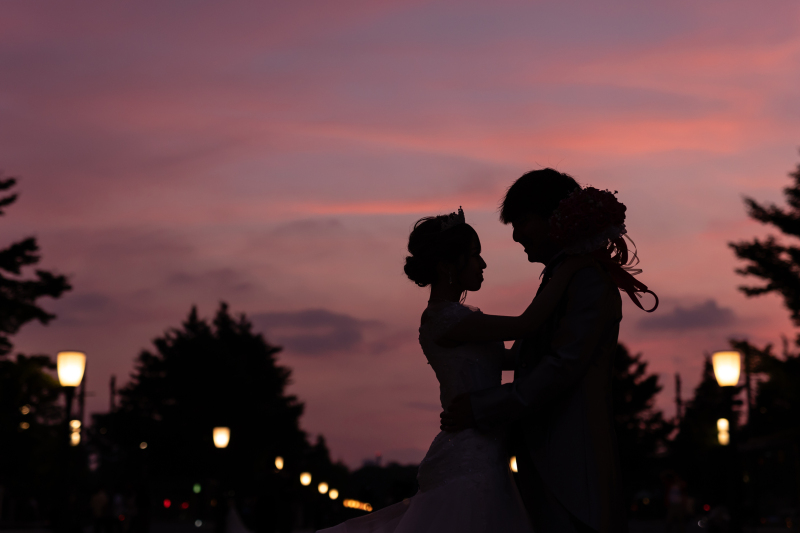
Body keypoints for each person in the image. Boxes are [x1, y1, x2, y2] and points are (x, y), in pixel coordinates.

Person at [441, 169, 657, 533]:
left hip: (572, 468)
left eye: (523, 222)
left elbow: (561, 367)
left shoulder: (586, 278)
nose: (515, 235)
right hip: (547, 465)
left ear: (556, 218)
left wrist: (482, 407)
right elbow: (530, 355)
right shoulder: (562, 278)